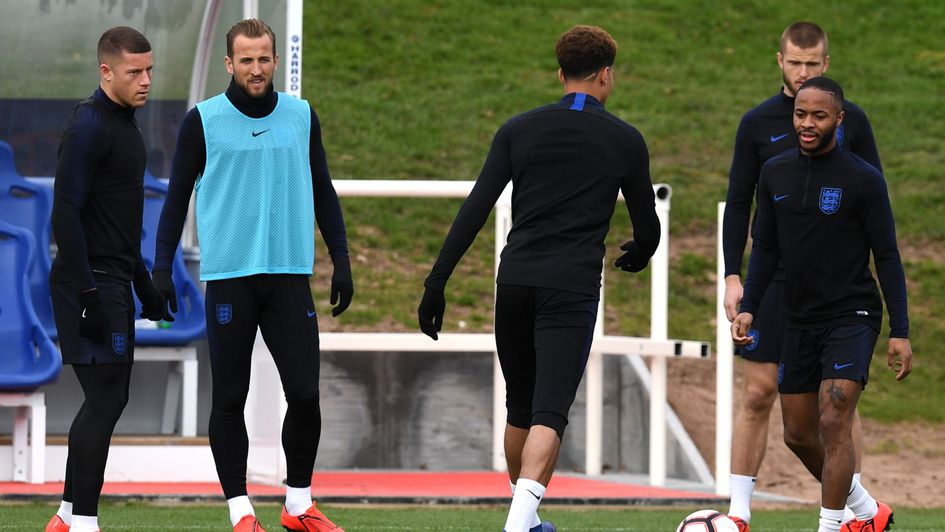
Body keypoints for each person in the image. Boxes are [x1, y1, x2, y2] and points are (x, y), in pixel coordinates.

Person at [417, 25, 661, 532]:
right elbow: (647, 226)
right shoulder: (624, 140)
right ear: (606, 75)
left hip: (515, 282)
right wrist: (640, 253)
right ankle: (517, 524)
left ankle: (526, 521)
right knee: (551, 410)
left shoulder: (518, 129)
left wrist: (436, 282)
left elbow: (475, 208)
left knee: (519, 406)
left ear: (560, 74)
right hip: (569, 288)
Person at [153, 18, 352, 532]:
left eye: (264, 58)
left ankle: (298, 505)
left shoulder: (302, 116)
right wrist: (161, 269)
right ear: (229, 63)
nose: (257, 68)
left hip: (289, 274)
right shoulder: (203, 120)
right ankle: (241, 512)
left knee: (305, 393)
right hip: (230, 278)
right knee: (229, 398)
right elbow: (175, 200)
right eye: (247, 60)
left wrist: (342, 259)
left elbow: (324, 191)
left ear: (273, 60)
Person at [721, 21, 883, 531]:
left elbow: (874, 196)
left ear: (826, 65)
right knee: (756, 393)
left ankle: (851, 514)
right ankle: (739, 513)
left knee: (837, 405)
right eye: (796, 62)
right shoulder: (756, 123)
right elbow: (739, 204)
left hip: (835, 286)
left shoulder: (851, 120)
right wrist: (732, 275)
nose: (803, 71)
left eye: (813, 64)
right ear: (780, 61)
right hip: (774, 279)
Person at [46, 26, 166, 532]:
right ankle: (84, 523)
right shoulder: (89, 125)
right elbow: (64, 215)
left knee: (106, 398)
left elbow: (117, 221)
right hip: (88, 284)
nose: (145, 81)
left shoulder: (126, 124)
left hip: (112, 280)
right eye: (134, 72)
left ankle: (67, 517)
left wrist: (144, 283)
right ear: (106, 72)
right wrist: (90, 295)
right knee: (107, 399)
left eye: (149, 70)